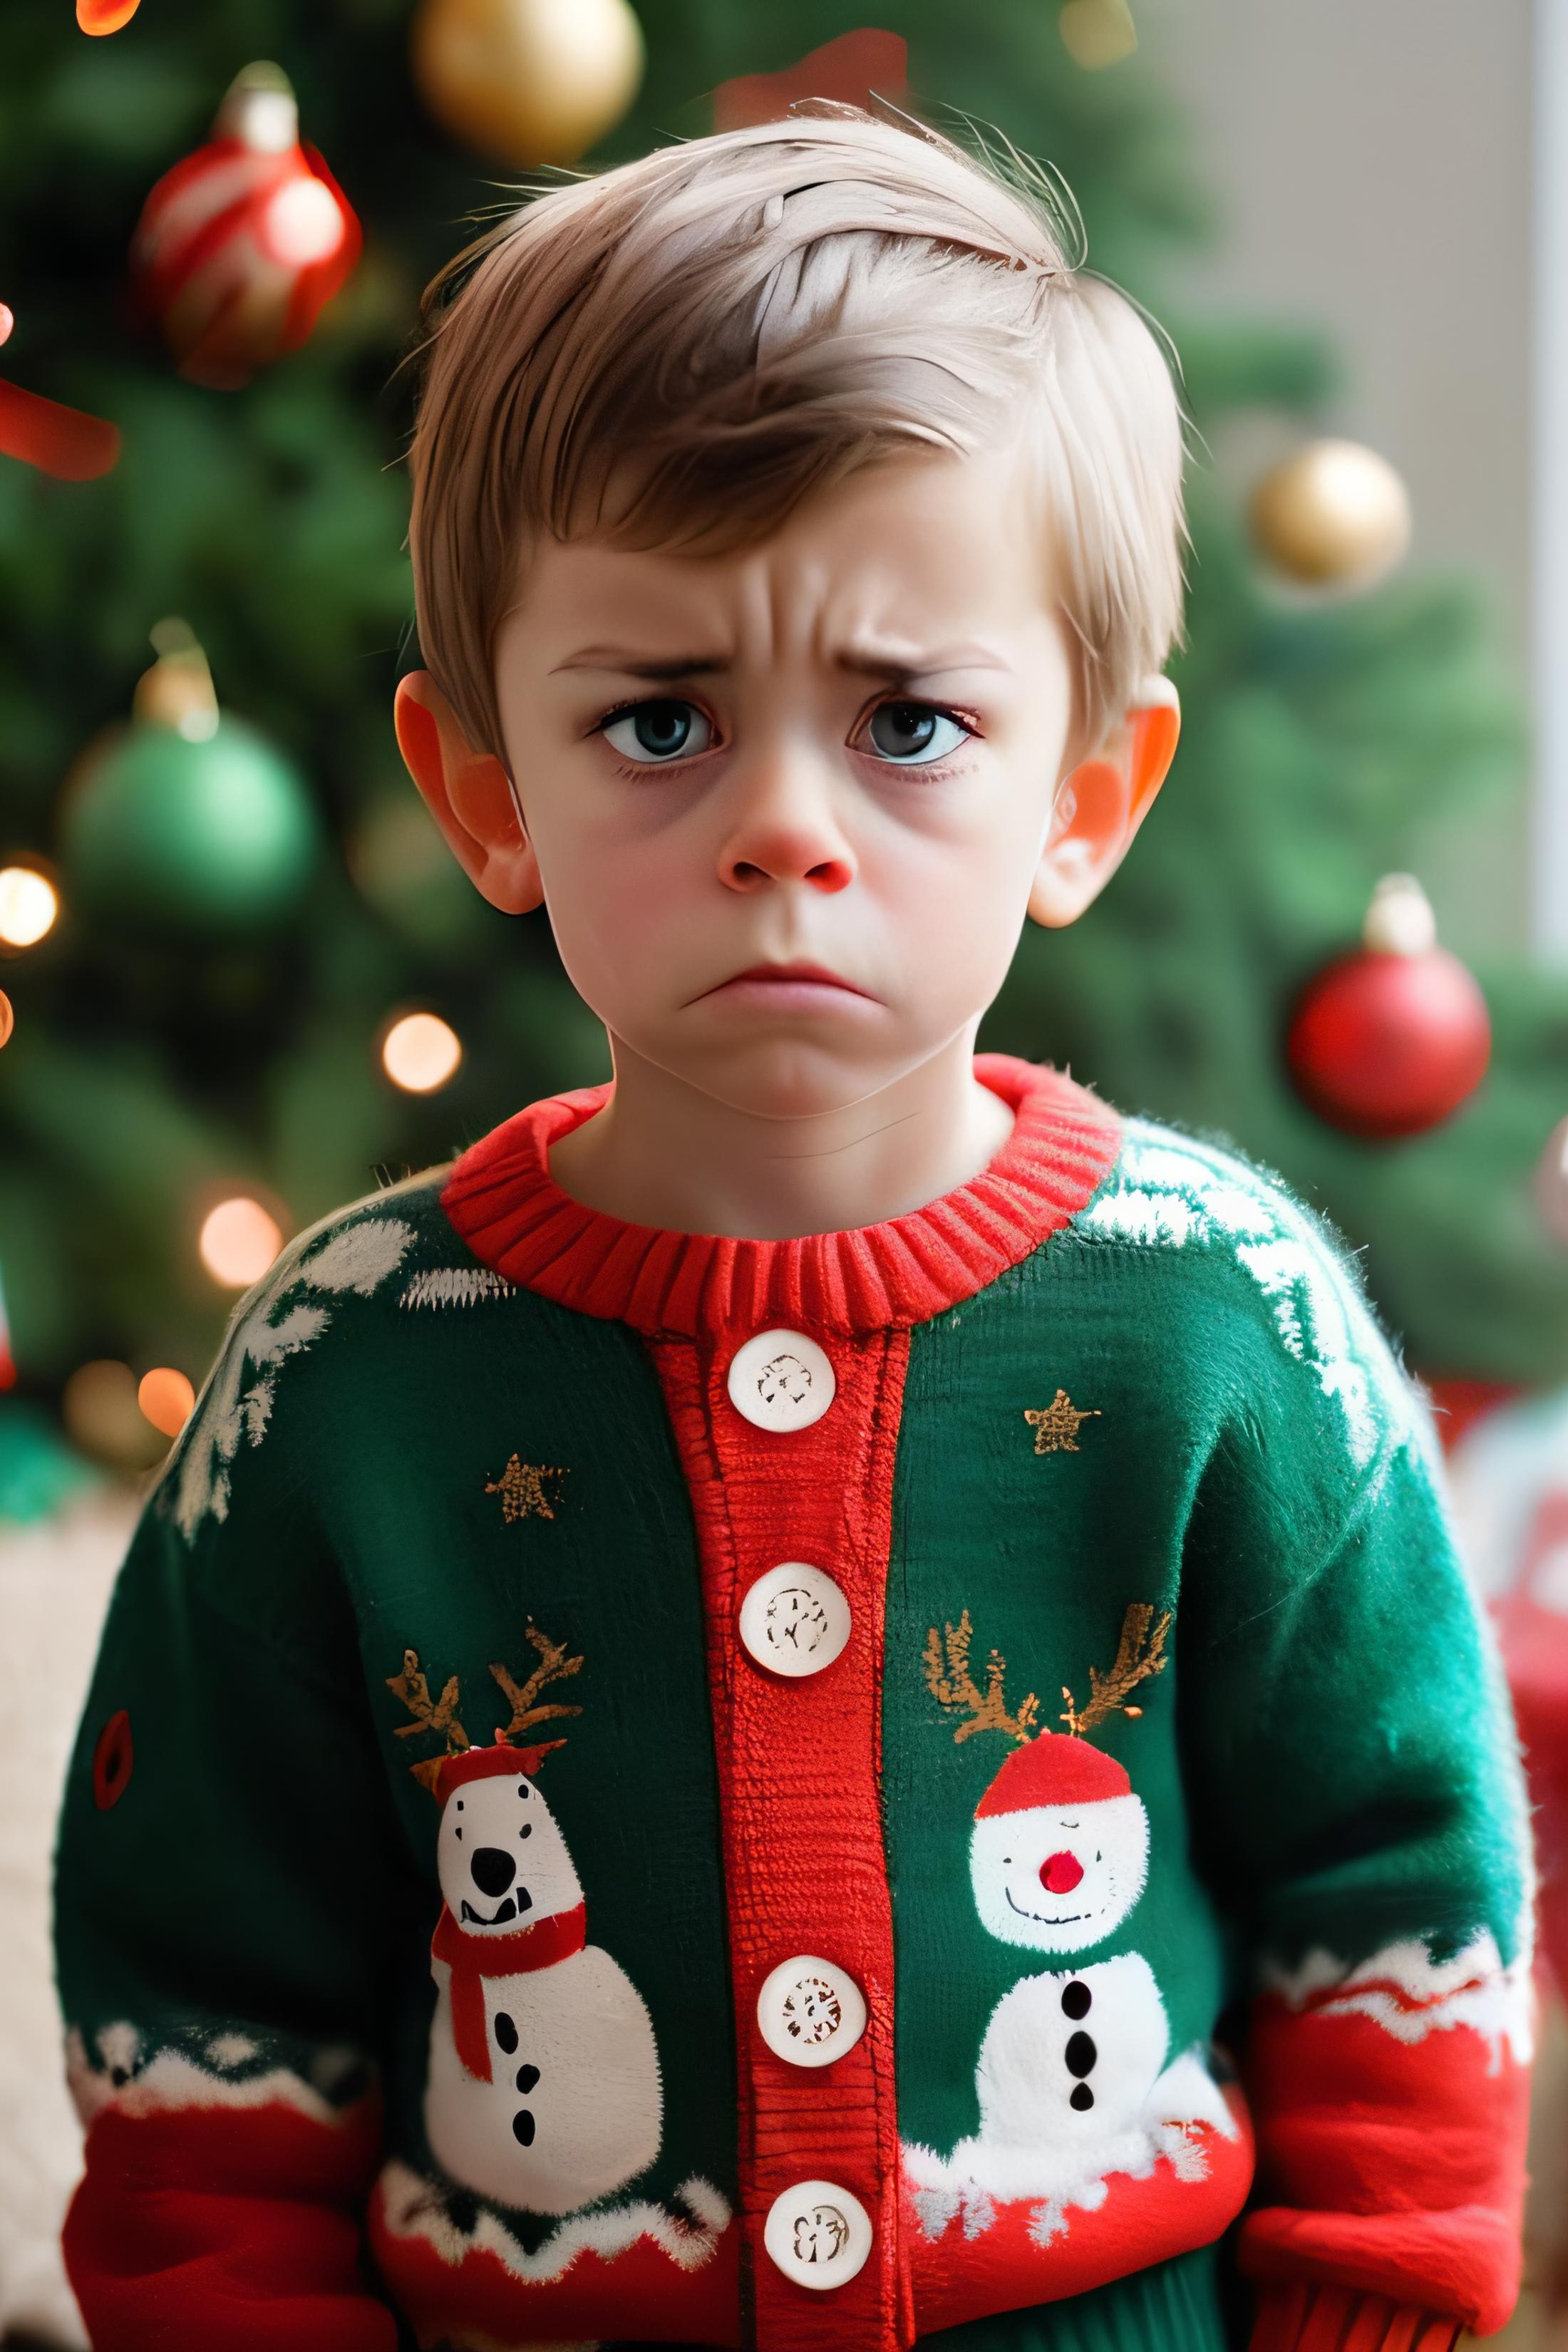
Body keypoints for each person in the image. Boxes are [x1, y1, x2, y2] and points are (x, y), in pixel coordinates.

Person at [54, 105, 1530, 2352]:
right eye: (659, 717)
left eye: (910, 720)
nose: (778, 828)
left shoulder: (1230, 1322)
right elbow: (209, 2006)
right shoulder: (343, 1374)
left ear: (1086, 798)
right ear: (482, 790)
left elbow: (1401, 1897)